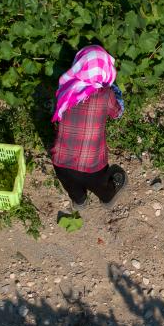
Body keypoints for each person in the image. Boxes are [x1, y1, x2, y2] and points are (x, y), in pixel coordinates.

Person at [51, 45, 127, 212]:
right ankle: (107, 198)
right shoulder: (106, 94)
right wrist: (114, 90)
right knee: (101, 187)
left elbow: (55, 112)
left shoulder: (66, 89)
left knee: (72, 186)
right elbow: (117, 112)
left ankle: (79, 201)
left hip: (61, 161)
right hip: (92, 165)